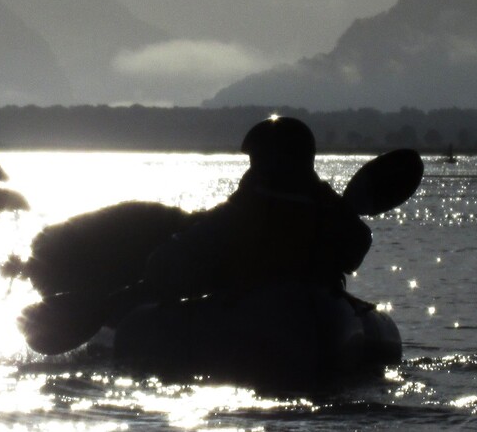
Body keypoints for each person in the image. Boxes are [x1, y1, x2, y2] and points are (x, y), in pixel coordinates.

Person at [142, 115, 371, 304]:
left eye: (256, 159)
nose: (252, 167)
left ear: (267, 162)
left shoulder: (241, 211)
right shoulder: (330, 207)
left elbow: (162, 264)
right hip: (309, 310)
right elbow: (356, 249)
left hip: (255, 310)